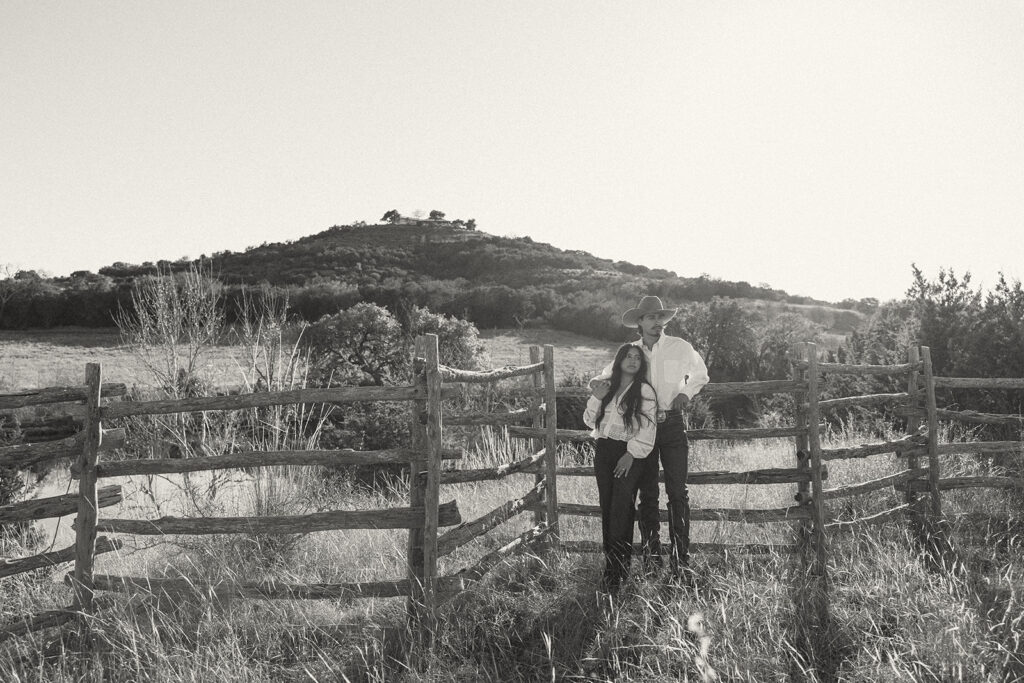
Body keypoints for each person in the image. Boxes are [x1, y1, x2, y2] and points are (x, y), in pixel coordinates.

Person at [591, 296, 709, 576]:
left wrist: (685, 393)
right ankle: (652, 561)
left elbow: (701, 373)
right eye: (651, 317)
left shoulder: (680, 347)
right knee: (648, 495)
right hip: (641, 428)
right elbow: (606, 377)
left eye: (660, 317)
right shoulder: (632, 352)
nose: (657, 322)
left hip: (671, 424)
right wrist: (595, 384)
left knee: (678, 492)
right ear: (640, 322)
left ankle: (680, 561)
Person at [584, 343, 658, 595]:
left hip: (629, 453)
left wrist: (631, 455)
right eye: (628, 356)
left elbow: (648, 428)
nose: (633, 360)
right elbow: (588, 420)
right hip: (604, 451)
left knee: (622, 509)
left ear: (642, 364)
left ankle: (618, 572)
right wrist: (597, 396)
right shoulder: (608, 386)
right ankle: (611, 570)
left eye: (637, 357)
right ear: (619, 360)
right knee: (608, 508)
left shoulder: (644, 390)